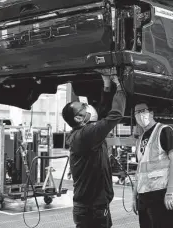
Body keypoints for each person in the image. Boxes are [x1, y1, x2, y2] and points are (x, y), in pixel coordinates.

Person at [62, 71, 126, 228]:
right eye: (83, 106)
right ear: (78, 118)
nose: (87, 105)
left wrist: (106, 86)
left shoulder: (83, 134)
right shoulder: (87, 134)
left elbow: (102, 113)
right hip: (93, 208)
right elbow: (115, 115)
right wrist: (119, 86)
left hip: (88, 206)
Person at [132, 102, 173, 228]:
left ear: (151, 113)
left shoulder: (164, 131)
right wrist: (134, 196)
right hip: (144, 195)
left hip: (160, 193)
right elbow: (140, 169)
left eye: (143, 111)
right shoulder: (141, 138)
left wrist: (170, 192)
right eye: (136, 113)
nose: (140, 115)